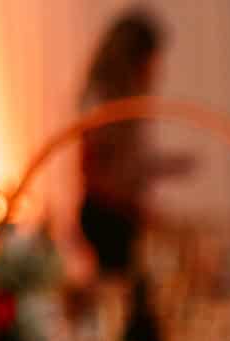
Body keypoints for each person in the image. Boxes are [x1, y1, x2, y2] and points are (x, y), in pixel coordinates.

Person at [76, 8, 192, 280]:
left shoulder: (119, 99)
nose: (155, 68)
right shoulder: (105, 100)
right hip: (108, 215)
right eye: (152, 59)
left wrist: (163, 167)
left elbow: (123, 164)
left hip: (118, 213)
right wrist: (136, 206)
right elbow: (100, 167)